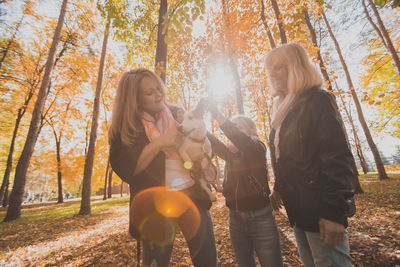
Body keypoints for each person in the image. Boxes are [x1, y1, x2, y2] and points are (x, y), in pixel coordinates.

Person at [108, 68, 217, 267]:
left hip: (192, 196)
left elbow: (205, 142)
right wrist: (158, 144)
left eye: (159, 88)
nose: (158, 95)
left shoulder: (176, 113)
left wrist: (205, 147)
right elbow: (128, 171)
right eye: (149, 93)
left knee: (207, 260)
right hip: (155, 207)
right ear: (135, 99)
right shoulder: (125, 128)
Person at [265, 42, 355, 267]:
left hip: (321, 210)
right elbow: (289, 159)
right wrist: (278, 187)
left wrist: (334, 213)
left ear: (296, 67)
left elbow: (336, 157)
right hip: (297, 211)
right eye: (270, 69)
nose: (272, 73)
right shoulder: (281, 113)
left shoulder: (317, 100)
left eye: (279, 67)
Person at [205, 105, 283, 267]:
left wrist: (219, 117)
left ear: (250, 131)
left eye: (238, 127)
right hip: (235, 219)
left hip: (261, 218)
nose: (233, 133)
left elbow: (242, 141)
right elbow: (214, 143)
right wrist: (198, 126)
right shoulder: (231, 154)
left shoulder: (257, 148)